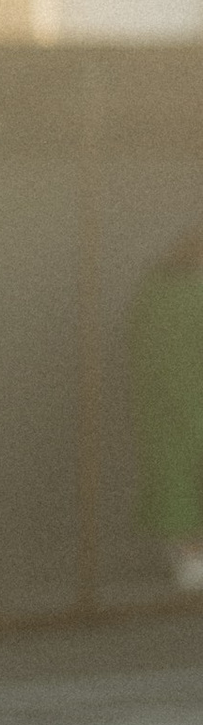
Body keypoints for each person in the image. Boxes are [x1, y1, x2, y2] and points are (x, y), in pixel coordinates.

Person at [130, 230, 203, 594]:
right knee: (175, 475)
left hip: (169, 399)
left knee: (174, 475)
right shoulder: (167, 294)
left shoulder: (154, 291)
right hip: (176, 397)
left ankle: (189, 557)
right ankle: (189, 558)